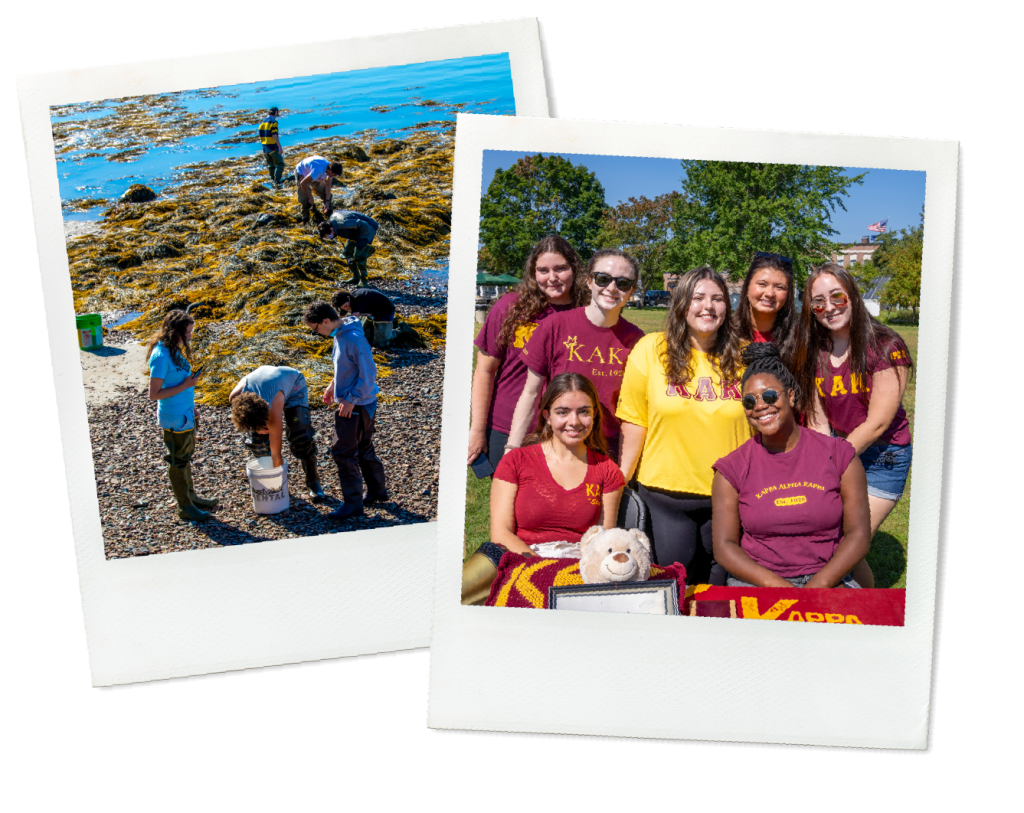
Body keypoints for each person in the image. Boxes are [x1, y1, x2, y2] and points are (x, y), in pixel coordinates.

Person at [616, 266, 749, 583]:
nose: (708, 306)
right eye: (698, 297)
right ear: (681, 303)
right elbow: (634, 423)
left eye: (717, 299)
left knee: (720, 590)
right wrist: (617, 488)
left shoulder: (747, 356)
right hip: (666, 498)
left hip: (731, 498)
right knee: (674, 586)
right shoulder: (651, 350)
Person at [712, 343, 870, 587]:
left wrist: (818, 586)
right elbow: (724, 547)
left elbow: (858, 534)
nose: (760, 406)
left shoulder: (839, 454)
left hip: (829, 577)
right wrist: (780, 587)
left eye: (769, 396)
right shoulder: (732, 468)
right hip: (760, 581)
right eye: (749, 402)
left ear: (791, 395)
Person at [795, 263, 914, 588]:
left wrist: (831, 460)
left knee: (845, 544)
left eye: (836, 297)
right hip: (841, 449)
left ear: (853, 295)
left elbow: (877, 423)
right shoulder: (814, 350)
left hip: (883, 457)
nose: (828, 307)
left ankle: (852, 615)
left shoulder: (886, 345)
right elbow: (817, 417)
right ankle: (866, 605)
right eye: (818, 302)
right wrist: (825, 456)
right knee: (843, 546)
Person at [461, 372, 625, 605]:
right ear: (547, 415)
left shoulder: (607, 470)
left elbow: (602, 540)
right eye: (562, 412)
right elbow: (501, 533)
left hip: (578, 568)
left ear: (594, 414)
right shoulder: (515, 462)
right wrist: (540, 569)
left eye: (584, 411)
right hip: (522, 560)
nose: (574, 421)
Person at [505, 248, 644, 465]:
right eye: (603, 279)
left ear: (631, 290)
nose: (611, 288)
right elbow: (530, 393)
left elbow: (636, 413)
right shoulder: (555, 326)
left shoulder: (637, 341)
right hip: (556, 449)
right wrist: (512, 448)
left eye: (623, 283)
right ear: (589, 281)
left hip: (608, 455)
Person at [468, 235, 588, 473]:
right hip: (507, 426)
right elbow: (484, 370)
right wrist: (477, 430)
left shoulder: (588, 313)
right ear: (534, 273)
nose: (552, 278)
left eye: (560, 269)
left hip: (567, 428)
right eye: (543, 270)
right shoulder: (511, 307)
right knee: (510, 505)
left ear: (574, 269)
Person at [303, 301, 387, 520]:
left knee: (342, 452)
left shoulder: (353, 338)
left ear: (325, 321)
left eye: (316, 328)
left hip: (357, 405)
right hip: (360, 401)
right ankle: (378, 492)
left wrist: (351, 399)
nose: (316, 333)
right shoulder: (342, 333)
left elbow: (368, 374)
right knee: (363, 446)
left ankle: (353, 504)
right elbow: (347, 367)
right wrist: (333, 385)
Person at [146, 309, 217, 522]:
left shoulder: (173, 350)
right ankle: (184, 506)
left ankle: (191, 497)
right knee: (178, 460)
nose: (190, 335)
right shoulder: (160, 356)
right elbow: (153, 394)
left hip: (185, 413)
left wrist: (192, 405)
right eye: (187, 332)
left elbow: (181, 384)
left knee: (185, 457)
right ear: (175, 330)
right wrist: (187, 384)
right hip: (173, 417)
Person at [228, 366, 325, 502]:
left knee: (300, 435)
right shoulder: (235, 398)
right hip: (266, 377)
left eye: (264, 425)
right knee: (256, 442)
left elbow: (276, 453)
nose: (265, 429)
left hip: (293, 384)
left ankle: (313, 480)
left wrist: (278, 479)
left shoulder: (273, 406)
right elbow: (243, 414)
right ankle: (267, 476)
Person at [733, 253, 799, 366]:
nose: (770, 293)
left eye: (779, 287)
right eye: (762, 284)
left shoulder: (800, 337)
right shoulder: (727, 333)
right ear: (747, 287)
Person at [317, 211, 379, 286]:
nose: (330, 238)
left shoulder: (342, 224)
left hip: (368, 227)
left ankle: (364, 281)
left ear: (331, 228)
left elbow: (363, 224)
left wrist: (361, 241)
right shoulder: (333, 223)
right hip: (355, 231)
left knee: (359, 255)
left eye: (329, 236)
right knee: (347, 253)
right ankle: (356, 276)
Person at [331, 287, 395, 347]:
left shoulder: (357, 300)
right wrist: (334, 330)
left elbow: (353, 321)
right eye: (343, 308)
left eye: (346, 306)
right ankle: (385, 324)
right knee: (365, 337)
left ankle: (400, 329)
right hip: (371, 313)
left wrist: (345, 335)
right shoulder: (344, 302)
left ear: (348, 298)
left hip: (385, 311)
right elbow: (340, 318)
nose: (346, 309)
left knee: (380, 342)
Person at [295, 155, 343, 224]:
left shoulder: (331, 168)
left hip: (314, 173)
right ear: (330, 171)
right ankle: (305, 218)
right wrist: (310, 197)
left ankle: (328, 212)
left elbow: (328, 185)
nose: (335, 176)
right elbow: (303, 183)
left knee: (325, 193)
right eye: (335, 175)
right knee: (305, 199)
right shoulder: (318, 170)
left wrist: (327, 202)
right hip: (302, 172)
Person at [258, 106, 284, 187]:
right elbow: (274, 135)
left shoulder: (262, 123)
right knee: (280, 164)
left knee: (271, 165)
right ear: (276, 113)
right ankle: (277, 181)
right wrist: (279, 146)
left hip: (265, 148)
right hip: (273, 147)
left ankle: (273, 180)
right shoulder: (273, 122)